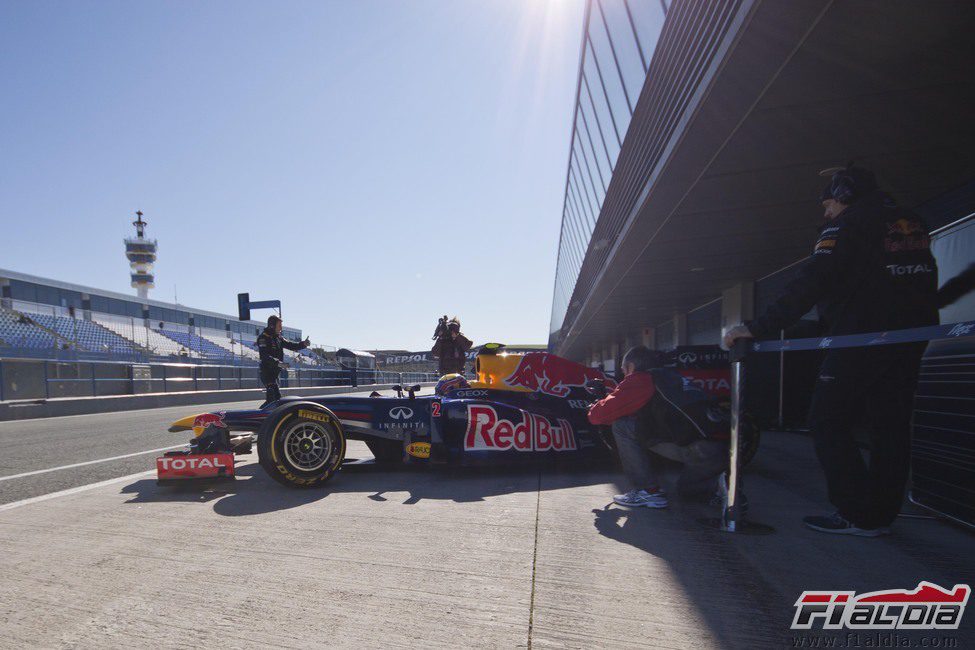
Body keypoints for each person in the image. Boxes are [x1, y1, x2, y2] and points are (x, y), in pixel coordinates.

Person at [723, 165, 939, 537]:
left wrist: (758, 327)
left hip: (859, 339)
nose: (826, 214)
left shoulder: (848, 224)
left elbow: (812, 281)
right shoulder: (910, 222)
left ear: (844, 194)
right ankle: (879, 516)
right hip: (910, 340)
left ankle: (855, 511)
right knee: (890, 428)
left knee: (827, 420)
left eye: (828, 204)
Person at [588, 346, 728, 509]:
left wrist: (598, 401)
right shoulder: (671, 377)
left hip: (695, 449)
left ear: (631, 367)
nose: (624, 375)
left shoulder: (640, 379)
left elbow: (597, 416)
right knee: (689, 493)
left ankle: (648, 491)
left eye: (624, 370)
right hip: (717, 450)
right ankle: (720, 487)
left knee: (622, 425)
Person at [257, 315, 310, 408]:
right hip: (267, 372)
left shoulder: (279, 338)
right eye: (279, 325)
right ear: (272, 326)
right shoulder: (263, 338)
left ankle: (262, 417)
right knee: (274, 398)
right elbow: (264, 356)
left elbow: (292, 345)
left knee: (274, 401)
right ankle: (259, 417)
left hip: (275, 372)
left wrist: (303, 344)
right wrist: (278, 363)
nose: (281, 328)